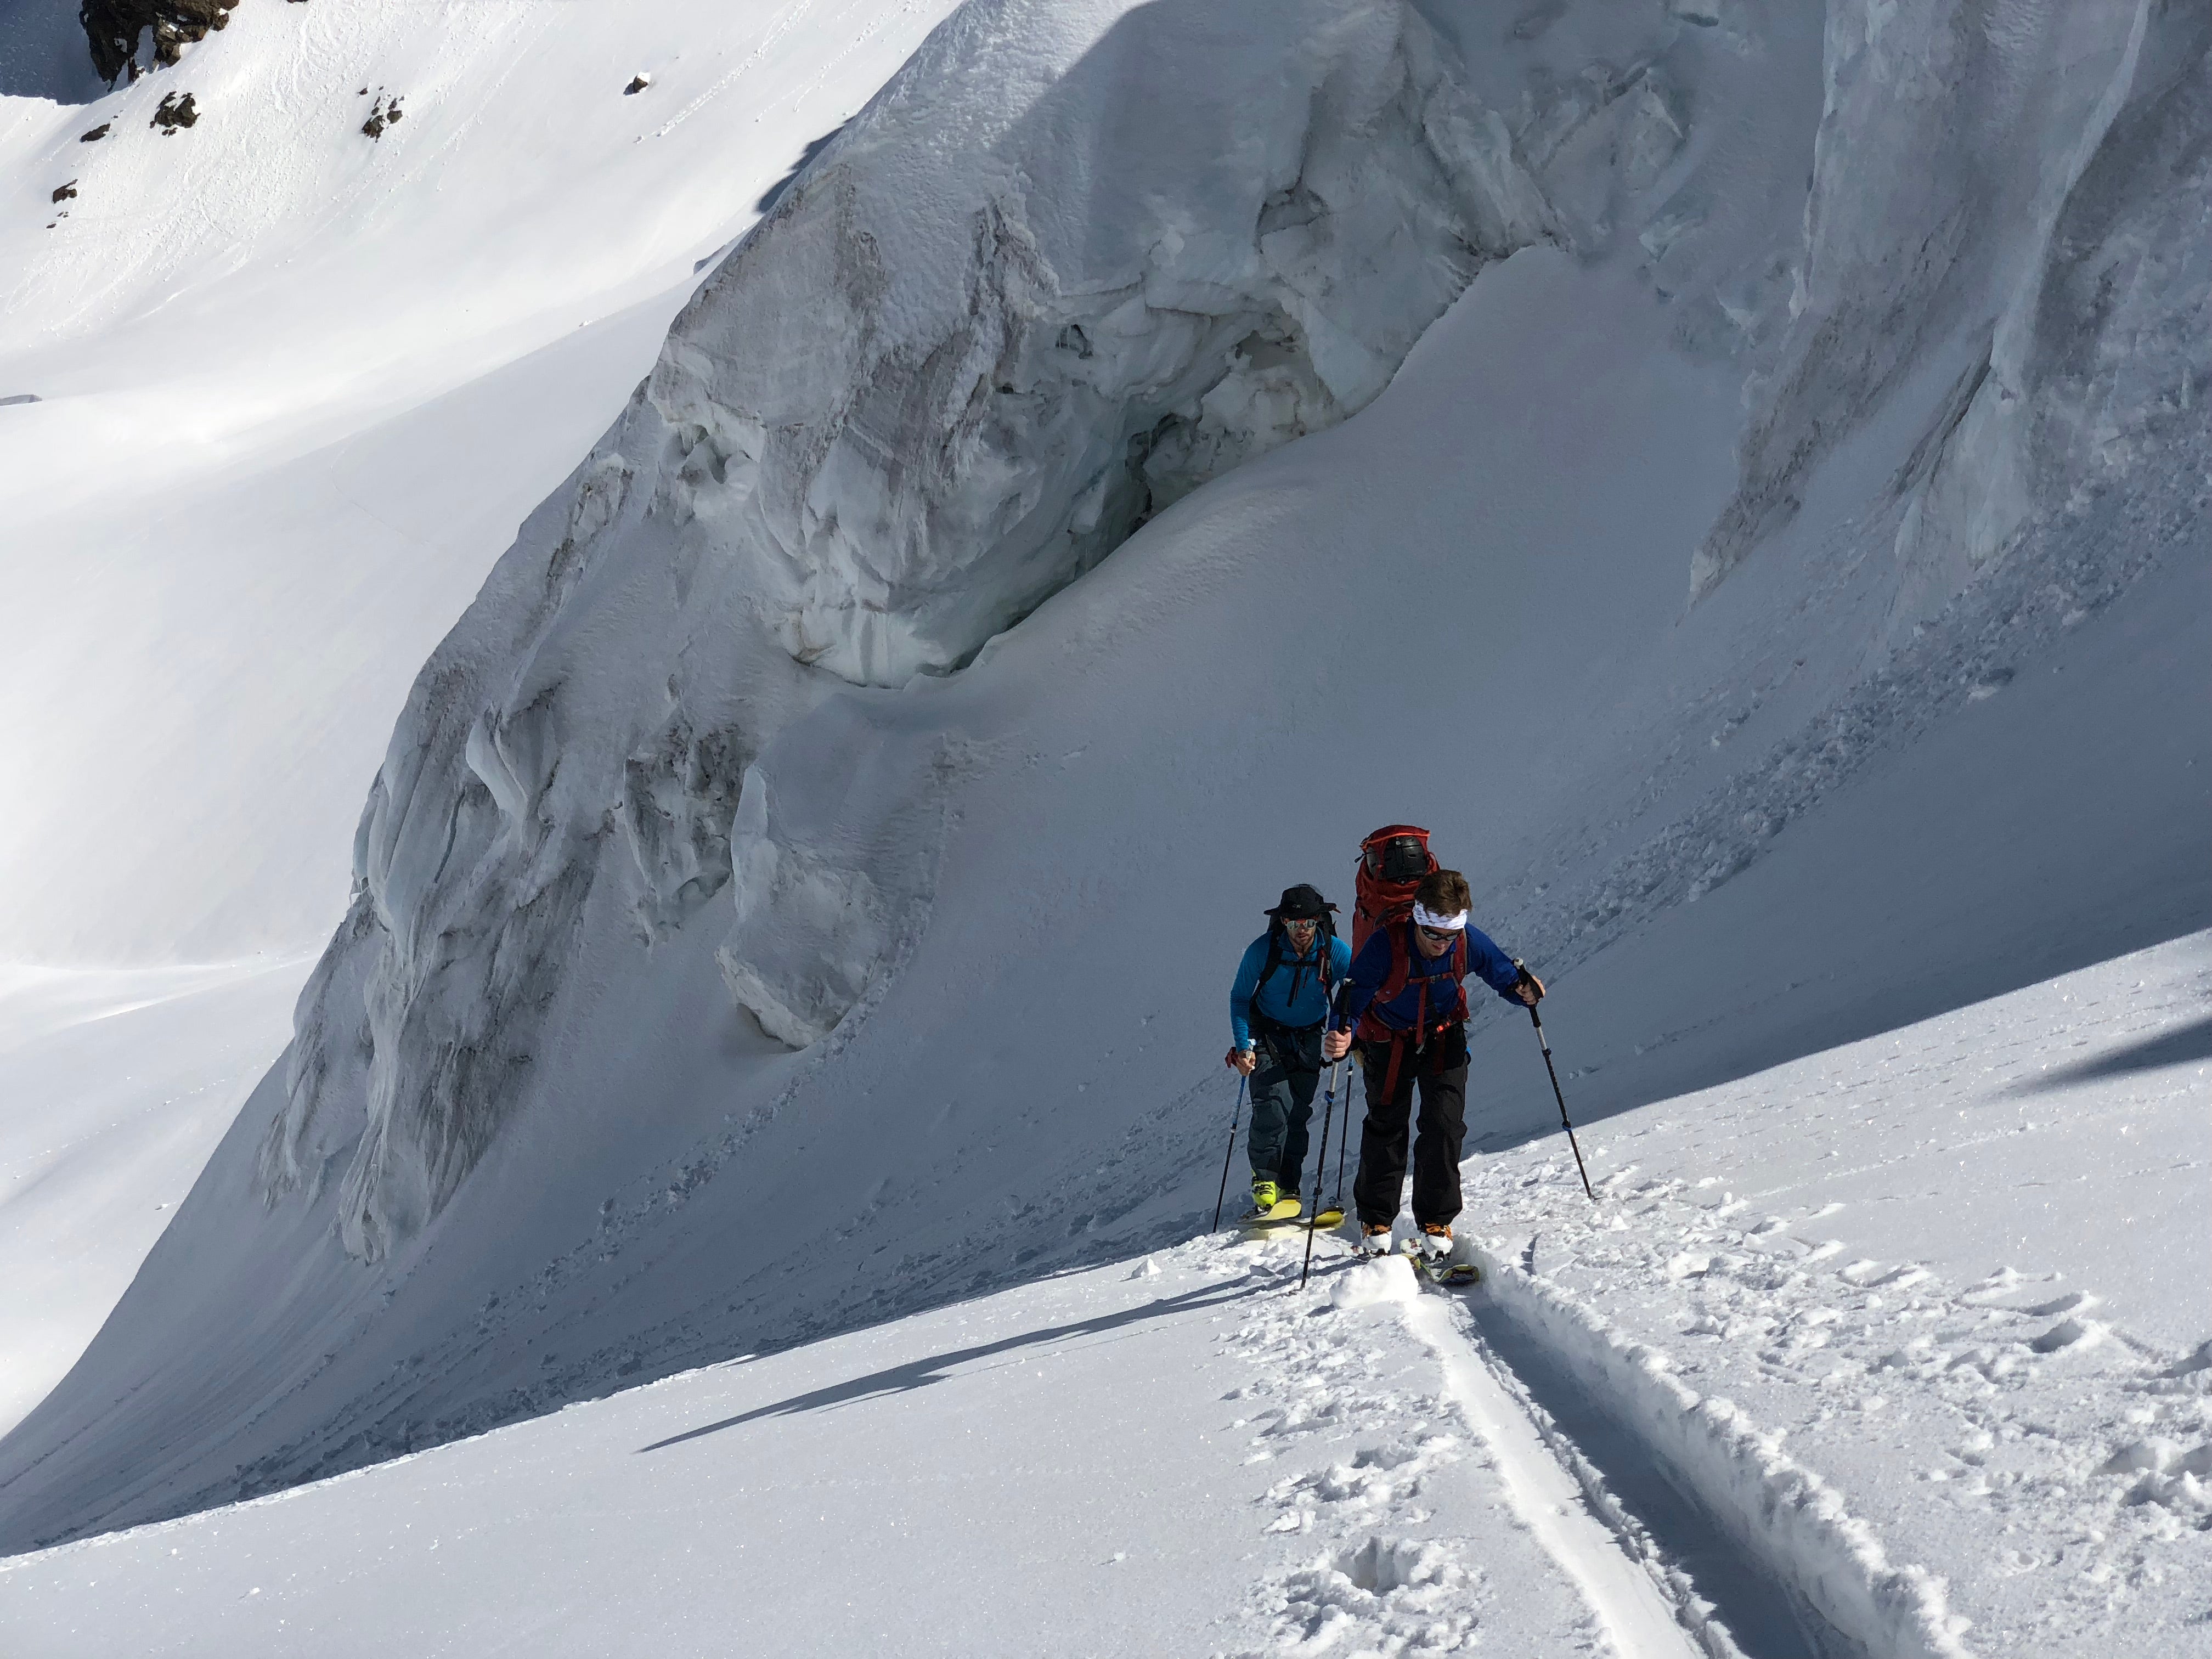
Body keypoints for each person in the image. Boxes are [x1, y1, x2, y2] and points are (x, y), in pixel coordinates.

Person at [1322, 868, 1542, 1256]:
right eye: (1433, 935)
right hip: (1389, 1040)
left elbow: (1503, 974)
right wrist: (1342, 1032)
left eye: (1450, 935)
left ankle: (1436, 1221)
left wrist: (1524, 990)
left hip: (1444, 1036)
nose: (1442, 944)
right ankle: (1376, 1220)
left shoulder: (1466, 942)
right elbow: (1351, 1001)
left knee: (1444, 1124)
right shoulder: (1386, 945)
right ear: (1418, 921)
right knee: (1386, 1125)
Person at [1227, 884, 1353, 1219]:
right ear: (1283, 922)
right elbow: (1240, 998)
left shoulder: (1335, 952)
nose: (1302, 930)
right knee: (1272, 1105)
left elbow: (1354, 990)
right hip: (1266, 1032)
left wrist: (1345, 1030)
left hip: (1310, 1036)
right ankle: (1265, 1183)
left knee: (1298, 1111)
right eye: (1295, 923)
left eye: (1309, 923)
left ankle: (1289, 1187)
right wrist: (1243, 1045)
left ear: (1319, 921)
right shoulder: (1262, 951)